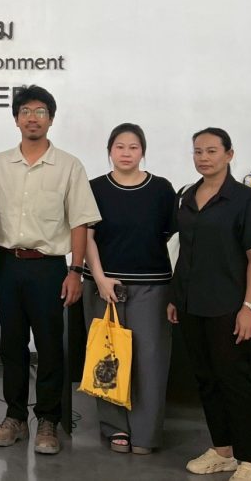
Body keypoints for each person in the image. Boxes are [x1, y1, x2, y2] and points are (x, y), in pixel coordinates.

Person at [0, 85, 101, 455]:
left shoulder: (69, 165)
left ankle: (48, 419)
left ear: (51, 119)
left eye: (40, 112)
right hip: (6, 264)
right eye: (25, 111)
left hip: (49, 267)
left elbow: (80, 221)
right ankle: (15, 417)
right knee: (11, 345)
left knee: (50, 346)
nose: (32, 118)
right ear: (16, 119)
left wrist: (76, 271)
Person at [170, 128, 251, 481]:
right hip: (191, 302)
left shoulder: (246, 199)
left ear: (229, 155)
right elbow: (184, 251)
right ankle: (223, 451)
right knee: (206, 379)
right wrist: (176, 297)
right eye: (198, 151)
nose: (203, 157)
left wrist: (250, 307)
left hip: (228, 305)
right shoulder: (187, 196)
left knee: (234, 381)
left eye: (211, 151)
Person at [83, 123, 177, 455]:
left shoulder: (161, 189)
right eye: (119, 146)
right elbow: (86, 236)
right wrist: (100, 278)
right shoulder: (94, 188)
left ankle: (146, 433)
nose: (126, 153)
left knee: (149, 360)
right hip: (104, 286)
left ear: (143, 152)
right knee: (107, 356)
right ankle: (115, 427)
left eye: (133, 147)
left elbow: (170, 236)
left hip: (152, 287)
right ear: (110, 150)